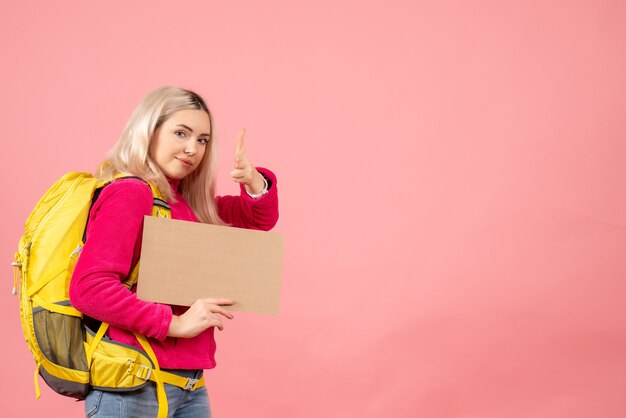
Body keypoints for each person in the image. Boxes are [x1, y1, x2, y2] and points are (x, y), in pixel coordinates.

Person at [69, 86, 279, 417]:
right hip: (133, 388)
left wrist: (253, 181)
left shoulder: (189, 205)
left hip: (189, 386)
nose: (192, 148)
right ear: (148, 130)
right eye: (181, 133)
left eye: (202, 140)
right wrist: (174, 324)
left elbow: (258, 220)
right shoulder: (130, 193)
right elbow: (89, 288)